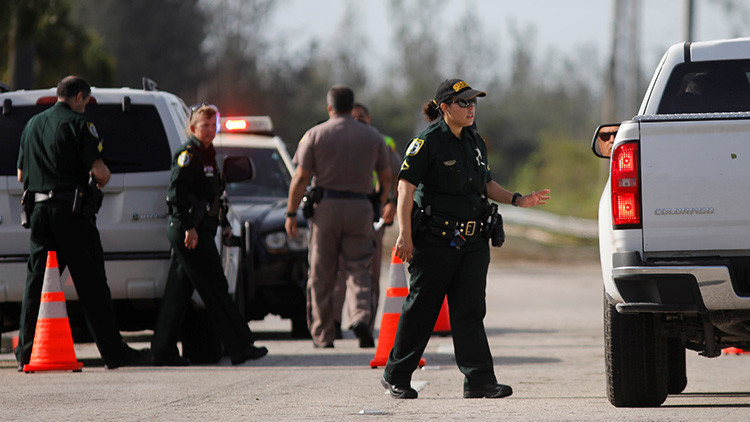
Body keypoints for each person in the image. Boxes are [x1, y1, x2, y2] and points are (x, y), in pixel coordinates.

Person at [380, 78, 550, 399]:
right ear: (444, 107)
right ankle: (397, 374)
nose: (471, 108)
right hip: (434, 241)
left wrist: (518, 199)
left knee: (470, 311)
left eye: (473, 103)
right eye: (463, 103)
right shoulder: (426, 142)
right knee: (422, 310)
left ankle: (479, 380)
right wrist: (404, 234)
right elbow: (405, 189)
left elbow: (486, 183)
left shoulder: (474, 141)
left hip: (473, 242)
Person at [15, 75, 149, 370]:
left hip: (38, 213)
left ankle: (25, 351)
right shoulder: (79, 124)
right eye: (86, 101)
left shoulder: (32, 125)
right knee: (91, 284)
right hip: (71, 214)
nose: (86, 106)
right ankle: (114, 353)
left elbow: (22, 176)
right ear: (78, 97)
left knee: (36, 281)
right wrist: (98, 181)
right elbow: (100, 173)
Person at [150, 104, 267, 366]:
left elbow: (212, 195)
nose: (209, 130)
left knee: (178, 292)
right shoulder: (188, 154)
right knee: (216, 287)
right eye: (204, 125)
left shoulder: (207, 154)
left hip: (200, 228)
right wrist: (189, 227)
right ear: (192, 127)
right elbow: (176, 194)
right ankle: (240, 347)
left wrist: (222, 223)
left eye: (213, 126)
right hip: (189, 231)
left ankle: (161, 350)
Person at [285, 85, 391, 348]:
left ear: (329, 107)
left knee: (322, 274)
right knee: (360, 268)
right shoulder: (373, 136)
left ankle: (323, 334)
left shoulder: (315, 134)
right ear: (351, 104)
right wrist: (379, 200)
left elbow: (301, 177)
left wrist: (290, 212)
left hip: (326, 209)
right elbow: (387, 175)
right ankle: (360, 318)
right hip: (361, 207)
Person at [331, 102, 401, 346]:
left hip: (373, 212)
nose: (357, 121)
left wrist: (392, 202)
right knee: (337, 272)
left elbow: (398, 174)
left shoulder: (381, 141)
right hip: (340, 213)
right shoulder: (332, 137)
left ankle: (365, 326)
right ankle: (332, 325)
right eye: (353, 117)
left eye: (361, 117)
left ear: (369, 119)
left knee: (369, 272)